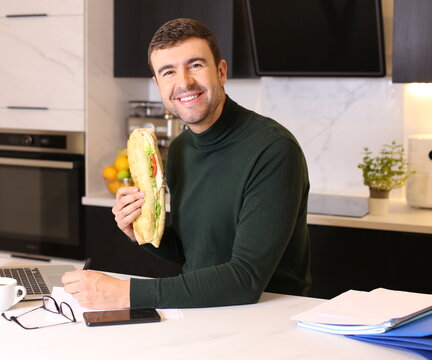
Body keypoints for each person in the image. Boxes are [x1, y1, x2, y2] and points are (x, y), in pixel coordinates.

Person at [62, 18, 311, 309]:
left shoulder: (272, 149)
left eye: (195, 65)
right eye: (168, 72)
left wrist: (123, 293)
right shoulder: (180, 149)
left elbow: (245, 280)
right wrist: (141, 232)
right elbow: (190, 251)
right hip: (204, 310)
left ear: (220, 71)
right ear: (157, 85)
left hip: (267, 317)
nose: (184, 82)